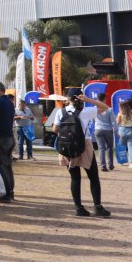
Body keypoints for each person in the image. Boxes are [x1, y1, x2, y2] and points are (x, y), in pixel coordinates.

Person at [57, 88, 111, 217]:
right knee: (93, 177)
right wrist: (88, 100)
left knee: (75, 178)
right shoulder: (86, 111)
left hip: (68, 146)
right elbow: (105, 107)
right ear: (80, 97)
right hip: (84, 145)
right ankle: (97, 207)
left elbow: (55, 128)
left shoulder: (61, 112)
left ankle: (78, 208)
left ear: (68, 98)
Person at [93, 92, 117, 171]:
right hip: (108, 130)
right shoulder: (109, 109)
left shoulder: (94, 108)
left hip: (98, 129)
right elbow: (113, 121)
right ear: (105, 99)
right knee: (109, 147)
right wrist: (116, 131)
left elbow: (92, 119)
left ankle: (103, 165)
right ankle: (110, 165)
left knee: (101, 148)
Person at [117, 99, 132, 169]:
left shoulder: (120, 114)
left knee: (121, 146)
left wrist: (116, 131)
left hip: (122, 130)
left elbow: (117, 123)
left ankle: (121, 161)